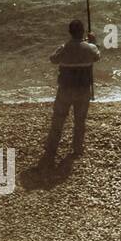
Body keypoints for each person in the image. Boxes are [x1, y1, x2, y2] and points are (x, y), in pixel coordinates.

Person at [40, 19, 100, 167]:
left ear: (70, 32)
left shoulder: (64, 48)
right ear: (82, 31)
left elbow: (53, 59)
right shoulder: (90, 48)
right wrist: (93, 41)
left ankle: (52, 148)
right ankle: (77, 149)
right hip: (83, 90)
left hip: (65, 90)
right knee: (80, 121)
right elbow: (97, 56)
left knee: (58, 120)